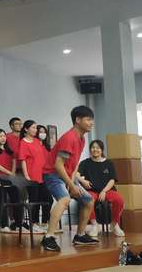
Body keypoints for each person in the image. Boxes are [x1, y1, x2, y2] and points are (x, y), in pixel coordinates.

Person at [40, 106, 98, 252]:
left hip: (65, 176)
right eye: (88, 119)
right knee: (64, 199)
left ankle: (80, 236)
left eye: (92, 120)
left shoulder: (81, 139)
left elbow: (75, 164)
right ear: (78, 120)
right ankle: (48, 237)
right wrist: (71, 185)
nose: (91, 123)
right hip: (52, 174)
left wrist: (72, 182)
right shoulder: (69, 138)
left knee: (88, 201)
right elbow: (58, 165)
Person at [77, 140, 125, 237]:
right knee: (88, 199)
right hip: (91, 190)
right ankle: (95, 225)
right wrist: (83, 181)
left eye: (98, 148)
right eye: (93, 147)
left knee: (119, 200)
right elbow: (76, 175)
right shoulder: (85, 163)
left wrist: (104, 191)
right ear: (90, 149)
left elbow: (112, 180)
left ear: (102, 150)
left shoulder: (109, 163)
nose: (95, 150)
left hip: (107, 190)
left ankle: (114, 224)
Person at [0, 129, 27, 231]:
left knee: (16, 200)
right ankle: (4, 225)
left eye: (4, 136)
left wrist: (12, 173)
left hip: (10, 180)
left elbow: (14, 161)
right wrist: (9, 173)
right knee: (3, 201)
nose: (3, 138)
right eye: (0, 136)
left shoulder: (9, 150)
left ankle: (18, 224)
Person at [19, 120, 48, 234]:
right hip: (32, 176)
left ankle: (44, 222)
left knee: (46, 199)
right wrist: (26, 175)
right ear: (26, 129)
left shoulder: (37, 141)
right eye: (33, 128)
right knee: (34, 200)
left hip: (42, 175)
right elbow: (23, 160)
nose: (36, 130)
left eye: (36, 128)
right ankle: (33, 223)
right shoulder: (23, 142)